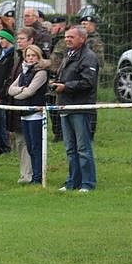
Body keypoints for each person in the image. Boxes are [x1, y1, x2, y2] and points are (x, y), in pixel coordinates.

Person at [53, 26, 99, 192]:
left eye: (71, 37)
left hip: (80, 107)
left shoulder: (89, 57)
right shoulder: (68, 56)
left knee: (83, 148)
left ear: (82, 39)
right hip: (65, 106)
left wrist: (65, 87)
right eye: (66, 37)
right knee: (70, 148)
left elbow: (88, 82)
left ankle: (87, 183)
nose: (67, 39)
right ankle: (72, 181)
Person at [7, 45, 48, 185]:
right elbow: (10, 90)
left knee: (36, 147)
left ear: (38, 57)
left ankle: (37, 177)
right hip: (23, 113)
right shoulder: (23, 72)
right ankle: (34, 176)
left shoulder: (41, 73)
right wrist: (22, 90)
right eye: (28, 55)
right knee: (29, 147)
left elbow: (30, 92)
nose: (30, 58)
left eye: (33, 55)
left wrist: (20, 94)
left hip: (35, 114)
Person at [80, 14, 104, 139]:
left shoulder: (95, 41)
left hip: (90, 75)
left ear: (93, 26)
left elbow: (100, 61)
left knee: (90, 104)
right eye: (82, 24)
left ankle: (90, 132)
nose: (84, 26)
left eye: (87, 24)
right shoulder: (79, 40)